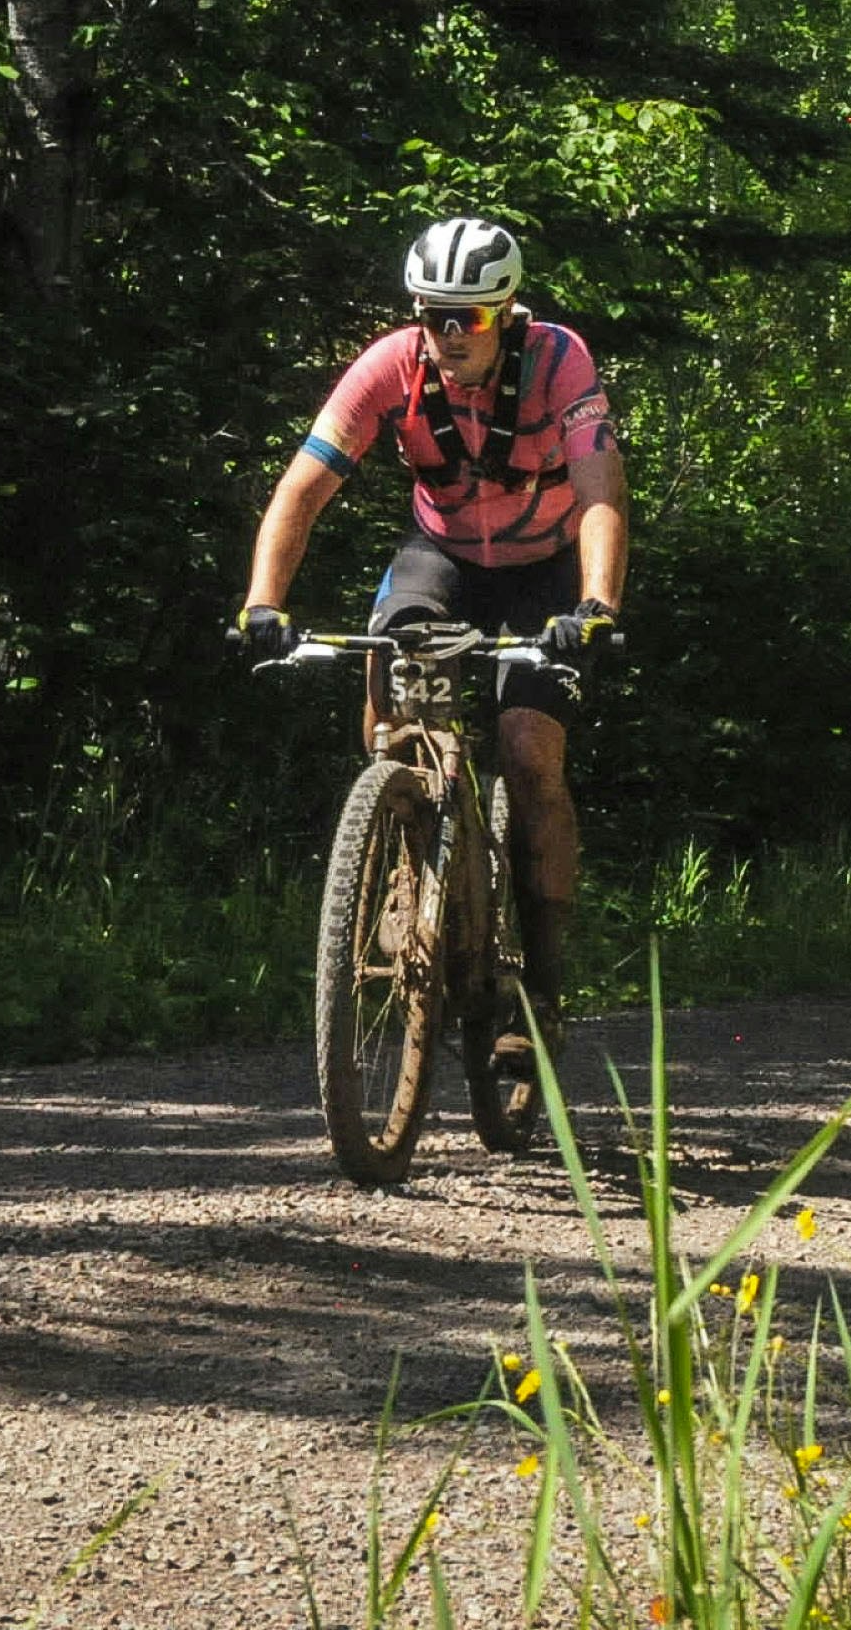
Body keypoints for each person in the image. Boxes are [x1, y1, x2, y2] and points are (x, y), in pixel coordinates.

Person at [237, 217, 624, 1072]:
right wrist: (264, 601)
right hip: (440, 555)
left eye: (472, 318)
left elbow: (600, 489)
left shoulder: (562, 360)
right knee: (387, 660)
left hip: (544, 572)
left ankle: (544, 991)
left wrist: (595, 602)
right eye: (435, 315)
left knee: (529, 753)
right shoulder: (389, 365)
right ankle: (399, 832)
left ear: (508, 313)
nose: (451, 335)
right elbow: (303, 485)